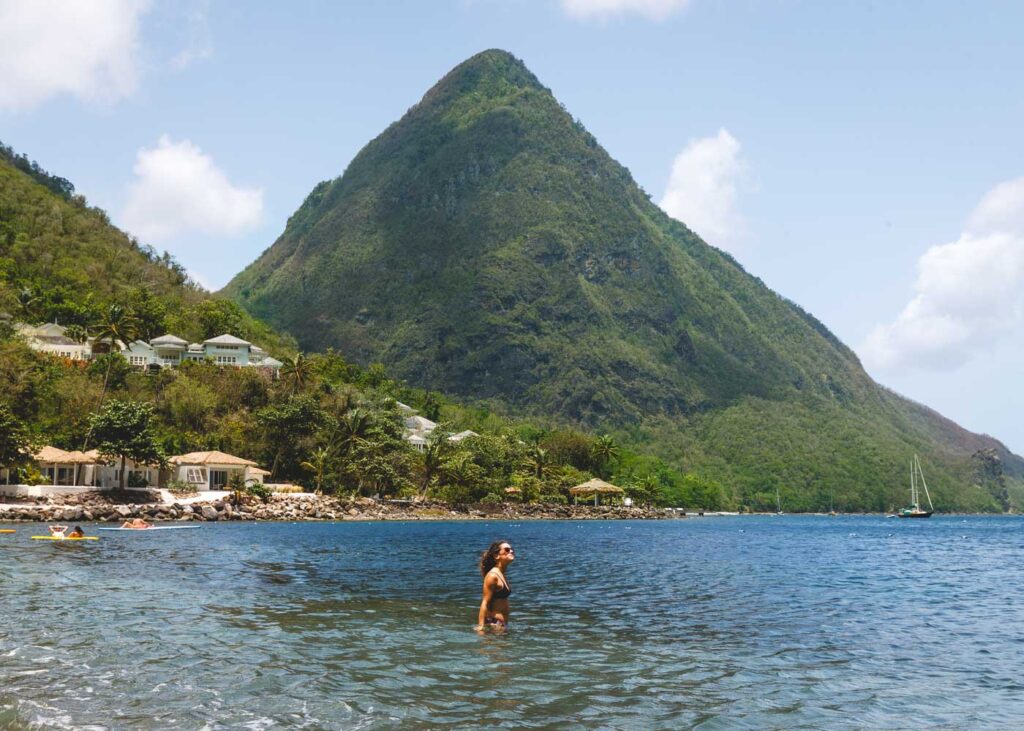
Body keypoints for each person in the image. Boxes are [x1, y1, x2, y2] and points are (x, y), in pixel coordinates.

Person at [475, 540, 514, 632]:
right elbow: (485, 602)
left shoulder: (501, 574)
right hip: (494, 624)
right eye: (507, 550)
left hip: (501, 625)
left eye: (512, 549)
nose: (511, 551)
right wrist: (481, 628)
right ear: (496, 556)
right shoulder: (492, 576)